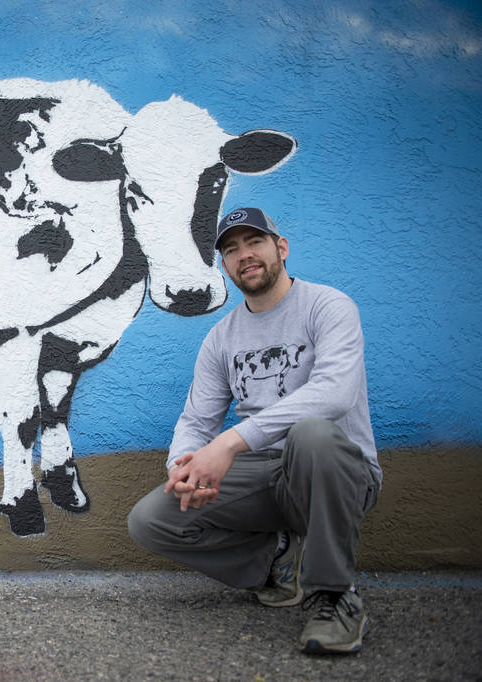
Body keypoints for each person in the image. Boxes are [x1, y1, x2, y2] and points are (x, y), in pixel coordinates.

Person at [126, 207, 382, 655]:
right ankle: (277, 561)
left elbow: (335, 393)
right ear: (224, 265)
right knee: (151, 520)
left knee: (312, 435)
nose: (244, 254)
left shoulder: (328, 306)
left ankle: (336, 597)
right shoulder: (221, 338)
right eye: (231, 249)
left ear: (281, 248)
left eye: (255, 242)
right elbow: (197, 421)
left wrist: (230, 442)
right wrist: (182, 470)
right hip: (264, 475)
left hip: (333, 469)